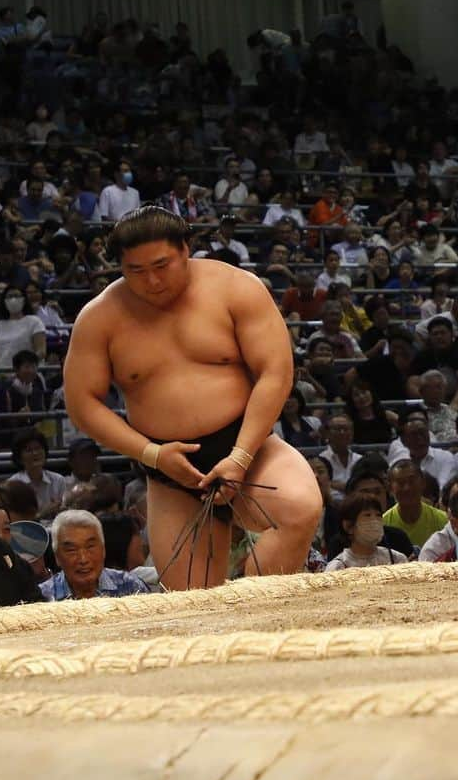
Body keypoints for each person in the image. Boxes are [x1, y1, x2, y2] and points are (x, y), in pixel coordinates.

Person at [62, 206, 321, 591]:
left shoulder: (236, 288)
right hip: (168, 467)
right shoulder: (100, 318)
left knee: (301, 509)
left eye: (161, 265)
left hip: (247, 444)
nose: (151, 280)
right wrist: (152, 455)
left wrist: (241, 455)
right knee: (194, 598)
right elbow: (82, 404)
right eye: (136, 270)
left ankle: (257, 608)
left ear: (186, 249)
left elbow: (276, 371)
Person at [39, 510, 150, 601]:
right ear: (57, 557)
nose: (83, 559)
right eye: (71, 550)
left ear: (103, 550)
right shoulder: (43, 598)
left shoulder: (132, 587)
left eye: (90, 547)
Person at [324, 494, 408, 570]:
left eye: (378, 515)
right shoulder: (338, 567)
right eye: (367, 515)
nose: (375, 521)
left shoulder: (397, 559)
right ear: (348, 526)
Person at [382, 460, 449, 549]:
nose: (407, 488)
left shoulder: (443, 520)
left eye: (411, 481)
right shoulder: (384, 524)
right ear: (390, 488)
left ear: (422, 483)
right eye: (401, 483)